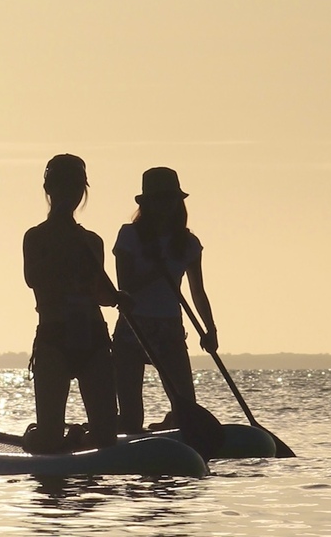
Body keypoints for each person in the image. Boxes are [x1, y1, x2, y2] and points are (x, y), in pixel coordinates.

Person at [22, 154, 119, 453]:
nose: (71, 194)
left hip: (92, 337)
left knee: (107, 438)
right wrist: (63, 242)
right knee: (49, 439)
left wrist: (117, 298)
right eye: (64, 188)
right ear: (50, 190)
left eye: (76, 188)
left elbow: (99, 293)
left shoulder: (93, 241)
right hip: (54, 338)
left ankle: (78, 437)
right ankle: (41, 435)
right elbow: (33, 280)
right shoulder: (35, 237)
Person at [112, 167, 219, 433]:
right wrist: (155, 273)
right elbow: (124, 287)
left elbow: (198, 291)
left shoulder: (188, 243)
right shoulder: (129, 236)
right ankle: (118, 437)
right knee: (131, 416)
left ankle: (173, 428)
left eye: (171, 199)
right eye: (159, 200)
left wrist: (210, 329)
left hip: (169, 328)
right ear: (147, 204)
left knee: (185, 405)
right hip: (133, 329)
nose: (166, 206)